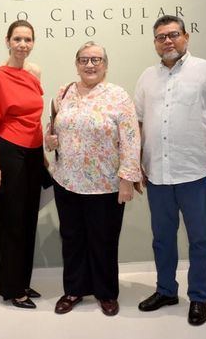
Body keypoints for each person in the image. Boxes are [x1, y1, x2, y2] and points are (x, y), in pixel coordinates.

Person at [134, 15, 206, 326]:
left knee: (200, 239)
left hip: (196, 173)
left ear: (186, 37)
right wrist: (136, 164)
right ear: (154, 43)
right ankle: (166, 290)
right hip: (158, 175)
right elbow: (138, 124)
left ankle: (199, 297)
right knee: (162, 238)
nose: (167, 41)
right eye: (161, 36)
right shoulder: (146, 78)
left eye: (173, 34)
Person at [44, 41, 142, 317]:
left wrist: (127, 179)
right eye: (84, 60)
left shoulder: (118, 96)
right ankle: (74, 290)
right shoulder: (63, 93)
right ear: (76, 64)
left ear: (105, 65)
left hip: (106, 185)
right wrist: (49, 140)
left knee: (104, 240)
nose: (90, 65)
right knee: (72, 239)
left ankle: (106, 293)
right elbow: (51, 130)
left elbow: (132, 139)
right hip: (67, 182)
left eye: (96, 60)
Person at [0, 19, 45, 309]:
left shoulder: (35, 73)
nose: (23, 44)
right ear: (7, 41)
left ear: (33, 43)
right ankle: (12, 288)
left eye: (28, 40)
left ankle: (22, 281)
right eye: (17, 39)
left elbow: (36, 118)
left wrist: (44, 155)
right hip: (10, 151)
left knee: (29, 219)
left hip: (34, 153)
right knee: (13, 222)